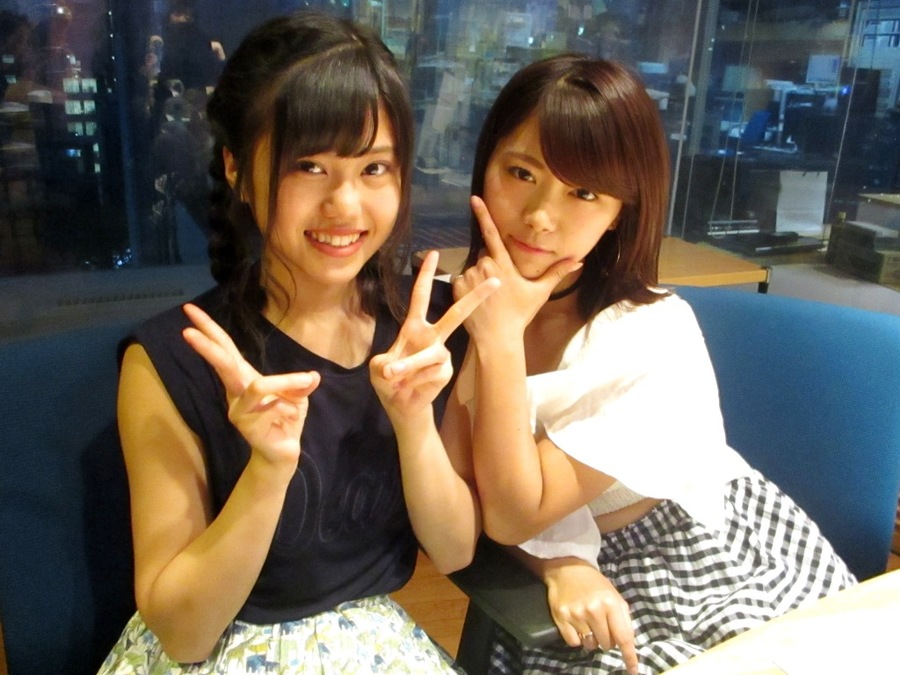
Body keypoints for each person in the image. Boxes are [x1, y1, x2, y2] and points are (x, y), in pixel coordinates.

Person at [98, 11, 496, 673]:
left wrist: (413, 422)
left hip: (371, 643)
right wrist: (268, 469)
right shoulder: (172, 360)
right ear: (236, 167)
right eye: (308, 166)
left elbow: (454, 550)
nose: (346, 205)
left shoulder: (422, 330)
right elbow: (184, 634)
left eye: (374, 168)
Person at [442, 54, 855, 674]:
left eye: (583, 192)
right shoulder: (457, 305)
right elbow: (462, 501)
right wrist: (555, 561)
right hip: (551, 569)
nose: (540, 216)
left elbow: (511, 511)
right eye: (521, 173)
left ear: (621, 211)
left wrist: (498, 342)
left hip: (695, 559)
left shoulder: (646, 334)